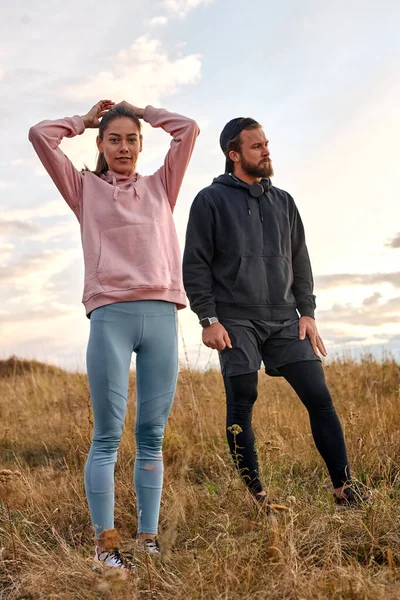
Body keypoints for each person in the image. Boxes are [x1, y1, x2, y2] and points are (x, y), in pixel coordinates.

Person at [29, 99, 199, 568]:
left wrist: (144, 110)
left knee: (151, 434)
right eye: (114, 139)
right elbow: (40, 134)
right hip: (110, 317)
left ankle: (148, 537)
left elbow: (188, 129)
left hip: (162, 314)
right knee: (107, 435)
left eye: (131, 139)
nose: (123, 147)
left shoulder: (162, 185)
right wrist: (82, 122)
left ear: (142, 144)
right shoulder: (84, 189)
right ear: (101, 145)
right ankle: (106, 546)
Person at [183, 116, 362, 510]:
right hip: (234, 318)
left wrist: (307, 311)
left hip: (284, 317)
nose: (266, 151)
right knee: (242, 399)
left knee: (319, 396)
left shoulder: (283, 201)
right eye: (256, 146)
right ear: (234, 154)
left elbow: (300, 259)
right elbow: (195, 263)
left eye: (266, 144)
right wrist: (208, 319)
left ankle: (344, 489)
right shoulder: (209, 201)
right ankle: (258, 497)